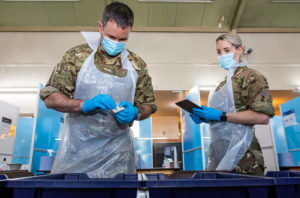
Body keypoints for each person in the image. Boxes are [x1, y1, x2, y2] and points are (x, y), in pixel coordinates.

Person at [39, 2, 156, 178]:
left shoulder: (136, 65)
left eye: (122, 39)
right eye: (111, 36)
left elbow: (149, 105)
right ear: (100, 27)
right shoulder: (76, 56)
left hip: (119, 157)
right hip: (77, 155)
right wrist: (84, 104)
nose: (116, 43)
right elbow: (50, 97)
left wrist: (136, 113)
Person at [190, 33, 274, 176]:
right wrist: (207, 117)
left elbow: (262, 117)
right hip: (221, 149)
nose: (222, 55)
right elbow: (225, 116)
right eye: (219, 52)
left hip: (243, 150)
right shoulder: (223, 83)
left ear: (239, 49)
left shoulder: (252, 77)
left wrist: (220, 115)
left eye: (227, 50)